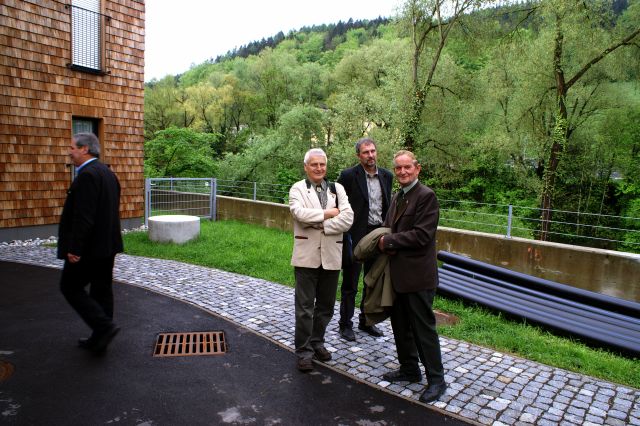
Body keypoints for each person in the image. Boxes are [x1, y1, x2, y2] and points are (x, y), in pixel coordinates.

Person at [377, 150, 447, 403]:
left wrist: (388, 242)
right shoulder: (399, 196)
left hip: (418, 277)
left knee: (422, 330)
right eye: (398, 168)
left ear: (417, 169)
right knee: (400, 326)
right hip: (397, 276)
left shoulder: (426, 196)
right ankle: (409, 369)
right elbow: (389, 227)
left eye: (407, 167)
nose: (402, 172)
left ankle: (437, 380)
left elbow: (422, 235)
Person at [289, 148, 353, 372]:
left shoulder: (338, 188)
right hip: (306, 256)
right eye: (314, 164)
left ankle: (317, 342)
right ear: (306, 167)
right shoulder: (298, 188)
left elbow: (348, 219)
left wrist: (321, 224)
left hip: (332, 255)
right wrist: (329, 213)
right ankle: (304, 351)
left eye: (322, 164)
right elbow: (299, 214)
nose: (319, 168)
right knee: (304, 308)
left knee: (326, 306)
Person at [58, 132, 123, 354]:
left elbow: (83, 216)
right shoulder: (108, 173)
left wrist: (75, 248)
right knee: (101, 289)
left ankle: (103, 327)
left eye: (72, 148)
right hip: (107, 245)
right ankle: (100, 338)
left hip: (89, 248)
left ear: (85, 149)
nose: (70, 152)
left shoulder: (87, 176)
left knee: (70, 287)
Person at [337, 138, 393, 342]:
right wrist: (345, 232)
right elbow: (338, 203)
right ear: (358, 155)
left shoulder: (387, 176)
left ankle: (366, 321)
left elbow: (387, 205)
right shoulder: (348, 176)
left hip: (378, 235)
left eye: (372, 151)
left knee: (372, 281)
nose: (370, 155)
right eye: (365, 152)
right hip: (356, 235)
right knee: (350, 282)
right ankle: (345, 324)